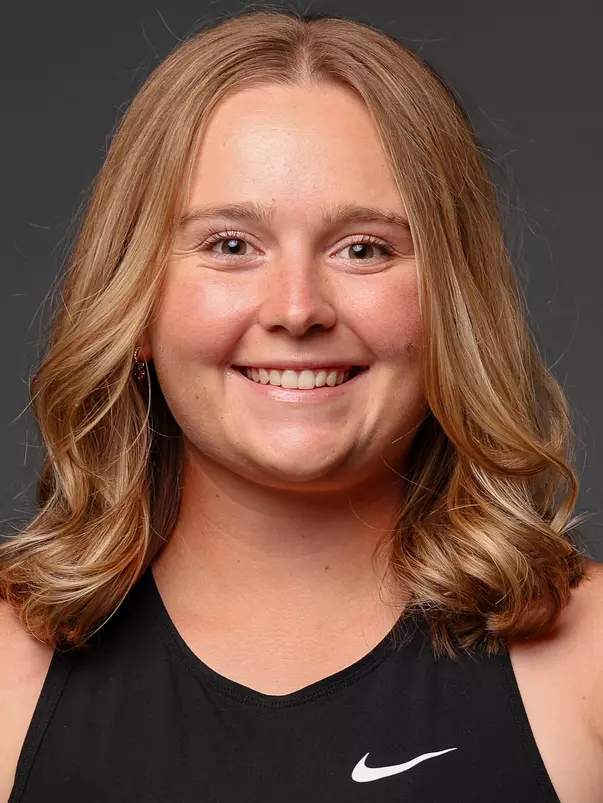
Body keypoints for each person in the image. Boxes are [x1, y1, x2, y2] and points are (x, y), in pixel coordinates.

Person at [0, 8, 601, 802]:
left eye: (363, 248)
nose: (295, 308)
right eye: (230, 245)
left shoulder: (588, 659)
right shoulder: (8, 666)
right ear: (136, 303)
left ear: (452, 305)